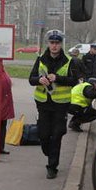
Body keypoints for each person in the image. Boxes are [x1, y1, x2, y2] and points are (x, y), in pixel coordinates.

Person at [28, 29, 79, 179]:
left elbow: (74, 81)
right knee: (43, 135)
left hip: (61, 105)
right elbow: (31, 79)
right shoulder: (40, 59)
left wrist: (57, 78)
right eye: (52, 43)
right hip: (43, 103)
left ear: (61, 44)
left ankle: (52, 167)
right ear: (48, 44)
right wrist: (39, 80)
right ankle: (49, 152)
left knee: (57, 134)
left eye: (57, 43)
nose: (54, 46)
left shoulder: (69, 61)